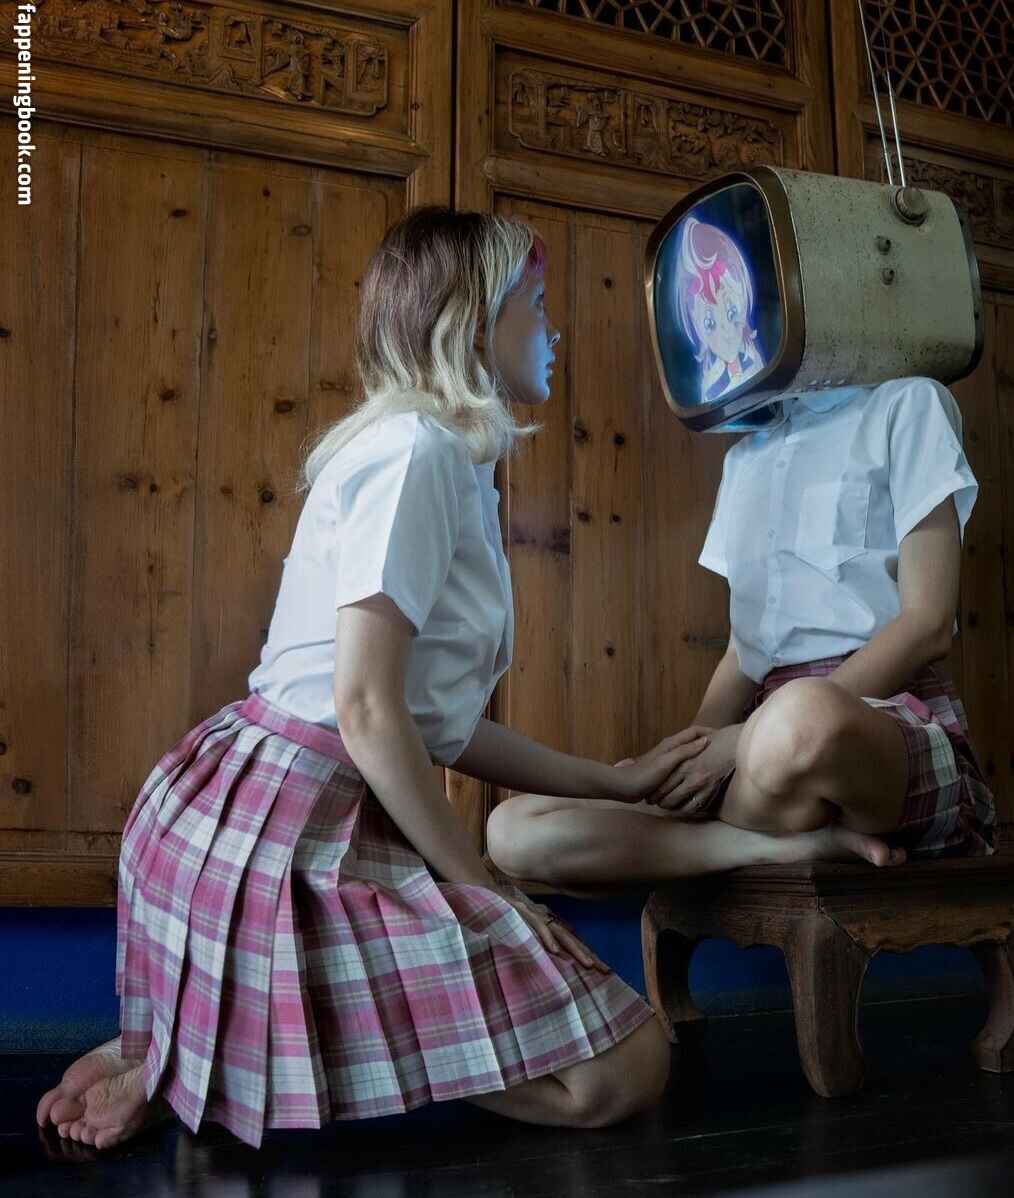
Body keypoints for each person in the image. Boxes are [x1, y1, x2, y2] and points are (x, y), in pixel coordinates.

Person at [35, 207, 902, 1154]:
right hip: (276, 829)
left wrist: (614, 779)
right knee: (626, 1070)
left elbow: (431, 725)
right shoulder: (413, 452)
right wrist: (485, 888)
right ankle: (192, 1052)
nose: (554, 328)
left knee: (625, 1066)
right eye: (537, 303)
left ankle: (194, 1037)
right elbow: (364, 710)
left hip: (311, 807)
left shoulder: (445, 459)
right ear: (474, 325)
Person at [487, 377, 996, 891]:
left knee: (799, 720)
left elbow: (927, 625)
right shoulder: (744, 457)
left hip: (870, 723)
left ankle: (739, 817)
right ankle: (776, 845)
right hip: (759, 749)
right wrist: (693, 754)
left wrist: (742, 740)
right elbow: (743, 652)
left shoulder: (908, 403)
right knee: (511, 830)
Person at [676, 215, 765, 403]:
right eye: (710, 324)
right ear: (698, 328)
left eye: (731, 312)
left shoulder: (754, 360)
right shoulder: (710, 388)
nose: (725, 332)